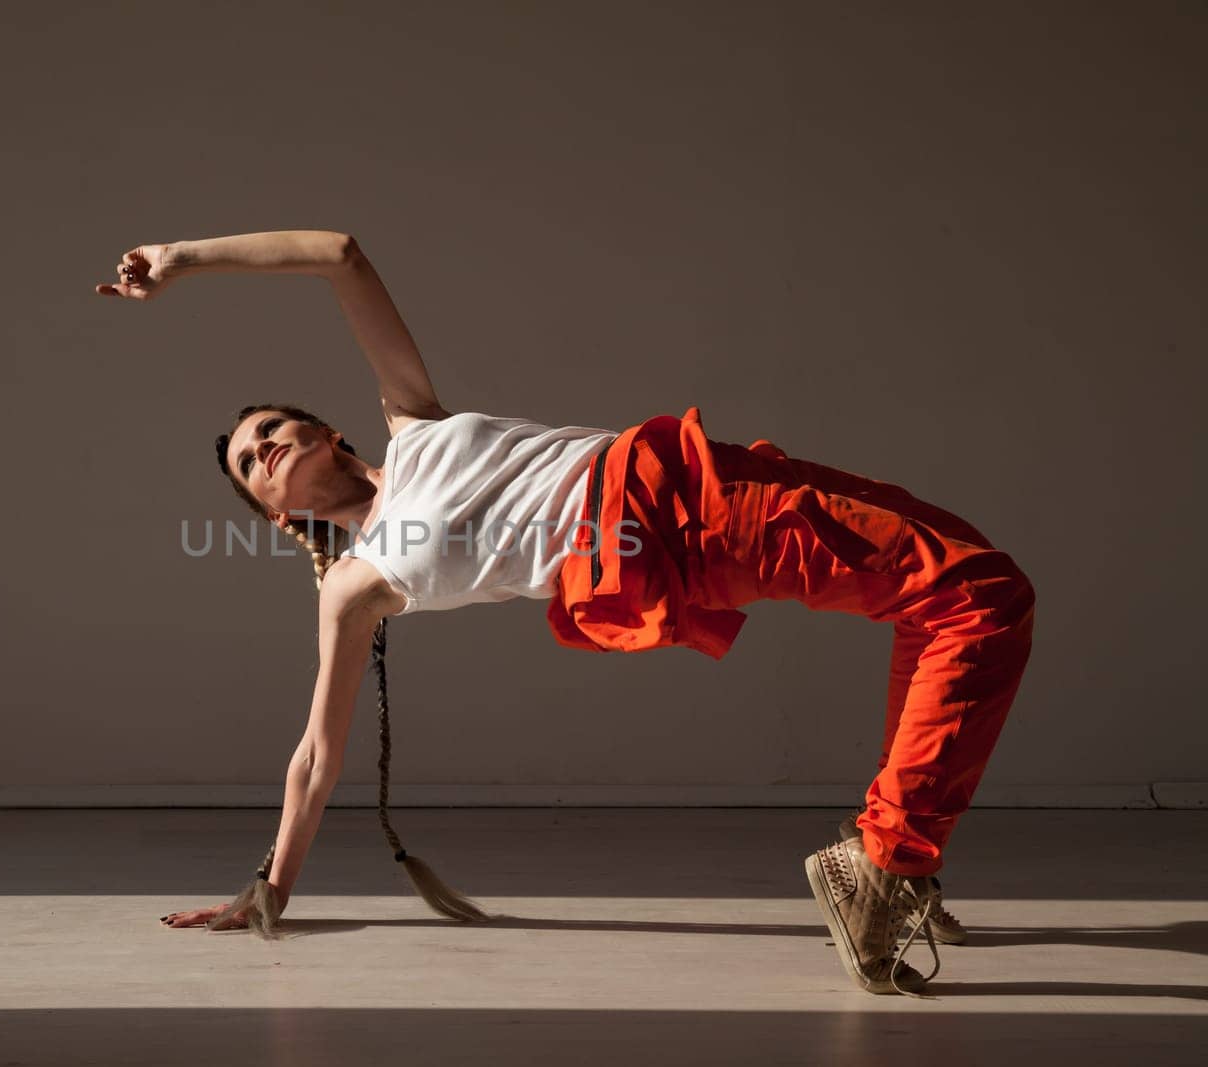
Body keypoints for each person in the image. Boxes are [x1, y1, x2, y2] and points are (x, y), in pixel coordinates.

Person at [94, 230, 1035, 996]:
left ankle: (889, 854)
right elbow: (315, 753)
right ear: (273, 512)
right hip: (663, 544)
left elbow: (340, 255)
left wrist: (182, 257)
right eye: (251, 463)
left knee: (951, 593)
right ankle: (884, 859)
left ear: (325, 431)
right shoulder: (353, 584)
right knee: (972, 592)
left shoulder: (412, 420)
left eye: (270, 429)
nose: (264, 448)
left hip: (674, 483)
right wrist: (273, 885)